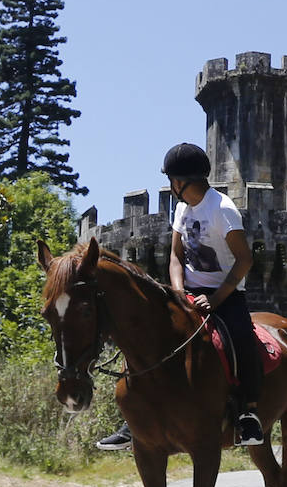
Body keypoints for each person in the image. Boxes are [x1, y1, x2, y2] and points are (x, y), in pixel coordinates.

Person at [98, 143, 264, 449]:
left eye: (173, 179)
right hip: (185, 292)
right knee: (150, 339)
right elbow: (176, 255)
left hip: (225, 295)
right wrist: (177, 293)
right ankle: (133, 421)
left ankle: (248, 414)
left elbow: (245, 260)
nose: (172, 185)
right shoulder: (181, 209)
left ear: (180, 181)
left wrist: (215, 300)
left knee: (242, 339)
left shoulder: (223, 210)